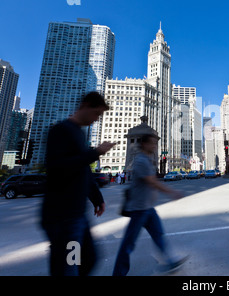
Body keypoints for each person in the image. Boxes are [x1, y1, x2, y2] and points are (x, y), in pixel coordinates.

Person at [41, 91, 115, 276]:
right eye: (96, 114)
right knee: (69, 268)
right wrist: (95, 152)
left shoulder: (80, 134)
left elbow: (83, 169)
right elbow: (58, 167)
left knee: (88, 259)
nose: (97, 119)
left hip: (76, 214)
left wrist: (97, 197)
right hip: (62, 216)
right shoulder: (60, 130)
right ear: (85, 106)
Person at [112, 133, 187, 276]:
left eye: (155, 143)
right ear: (144, 144)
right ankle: (118, 273)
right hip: (139, 209)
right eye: (152, 143)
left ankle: (171, 261)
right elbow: (152, 181)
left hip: (147, 208)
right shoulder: (141, 160)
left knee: (158, 235)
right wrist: (172, 192)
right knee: (128, 244)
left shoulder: (146, 160)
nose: (154, 146)